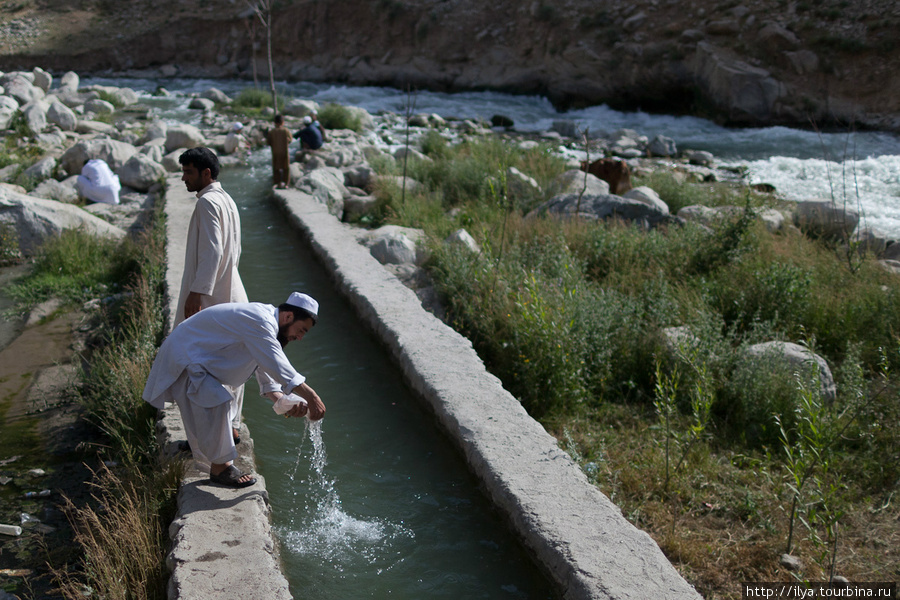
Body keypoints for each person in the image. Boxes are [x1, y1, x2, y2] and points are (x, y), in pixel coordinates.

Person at [143, 292, 326, 488]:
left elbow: (266, 370)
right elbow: (277, 365)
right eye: (301, 330)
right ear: (288, 317)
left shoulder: (265, 327)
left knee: (219, 407)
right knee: (218, 402)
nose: (299, 338)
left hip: (195, 358)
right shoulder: (260, 320)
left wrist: (283, 402)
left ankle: (218, 461)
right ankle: (221, 469)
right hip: (186, 357)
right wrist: (312, 397)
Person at [176, 147, 248, 445]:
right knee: (228, 364)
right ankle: (229, 428)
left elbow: (214, 250)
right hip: (230, 292)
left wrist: (197, 293)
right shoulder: (226, 200)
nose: (183, 178)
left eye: (189, 172)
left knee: (200, 365)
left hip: (212, 299)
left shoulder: (207, 202)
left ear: (206, 173)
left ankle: (216, 439)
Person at [265, 114, 292, 188]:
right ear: (282, 122)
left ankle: (277, 183)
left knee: (276, 168)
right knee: (286, 168)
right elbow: (290, 140)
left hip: (275, 152)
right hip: (284, 152)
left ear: (274, 123)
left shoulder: (272, 132)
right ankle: (286, 183)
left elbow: (268, 142)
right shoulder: (285, 131)